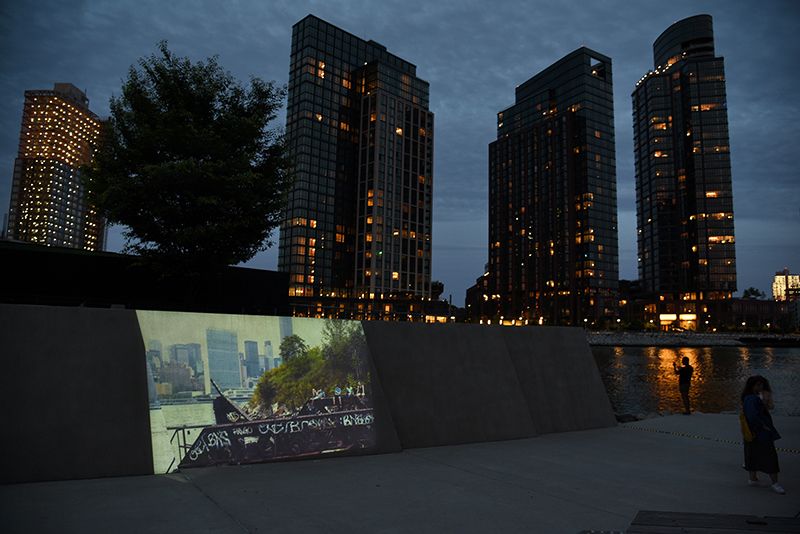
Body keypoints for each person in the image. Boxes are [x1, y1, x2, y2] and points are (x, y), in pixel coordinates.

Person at [741, 375, 785, 495]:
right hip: (760, 432)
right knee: (770, 456)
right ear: (752, 386)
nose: (761, 387)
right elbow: (753, 416)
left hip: (752, 432)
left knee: (752, 454)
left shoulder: (750, 397)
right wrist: (763, 426)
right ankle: (774, 483)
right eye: (758, 385)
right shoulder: (752, 398)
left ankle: (753, 478)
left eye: (761, 385)